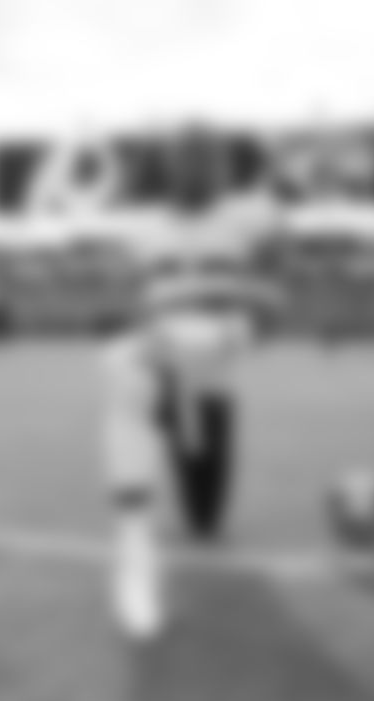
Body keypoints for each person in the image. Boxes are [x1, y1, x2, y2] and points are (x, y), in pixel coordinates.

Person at [100, 191, 280, 637]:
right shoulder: (148, 240)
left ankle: (183, 450)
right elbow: (130, 300)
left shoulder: (240, 236)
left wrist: (242, 323)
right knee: (127, 381)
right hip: (162, 370)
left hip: (211, 385)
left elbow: (264, 310)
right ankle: (135, 537)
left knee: (205, 520)